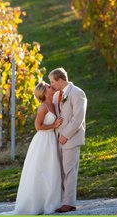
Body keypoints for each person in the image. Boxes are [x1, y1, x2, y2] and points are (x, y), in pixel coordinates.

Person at [9, 81, 64, 215]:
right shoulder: (43, 107)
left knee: (52, 169)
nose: (51, 87)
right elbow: (38, 127)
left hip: (51, 140)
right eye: (48, 86)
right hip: (43, 141)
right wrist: (54, 125)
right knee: (41, 170)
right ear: (44, 92)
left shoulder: (54, 103)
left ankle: (51, 201)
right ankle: (37, 204)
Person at [49, 67, 87, 213]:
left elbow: (78, 118)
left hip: (71, 138)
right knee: (61, 171)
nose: (51, 84)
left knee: (70, 170)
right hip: (58, 138)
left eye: (52, 81)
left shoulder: (77, 93)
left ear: (60, 80)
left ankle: (69, 202)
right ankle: (63, 200)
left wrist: (65, 135)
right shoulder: (56, 95)